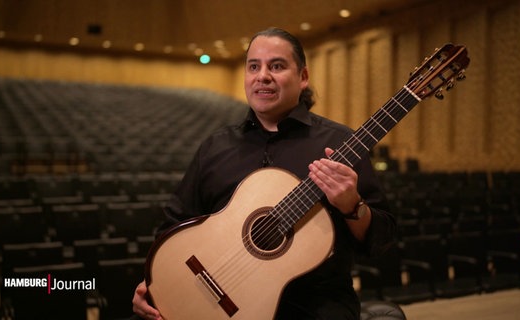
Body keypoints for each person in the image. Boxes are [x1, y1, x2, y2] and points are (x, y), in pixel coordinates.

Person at [132, 27, 397, 320]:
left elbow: (380, 240)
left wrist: (352, 205)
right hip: (216, 298)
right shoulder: (216, 146)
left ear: (303, 77)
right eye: (254, 66)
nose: (263, 76)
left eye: (277, 66)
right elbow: (174, 223)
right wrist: (157, 282)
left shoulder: (340, 144)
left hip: (315, 304)